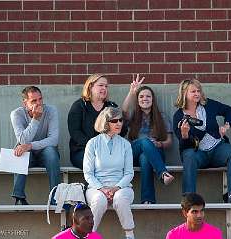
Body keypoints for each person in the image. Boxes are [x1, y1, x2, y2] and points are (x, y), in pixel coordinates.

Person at [173, 79, 231, 203]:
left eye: (198, 91)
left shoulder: (208, 105)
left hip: (217, 148)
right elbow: (184, 146)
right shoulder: (179, 116)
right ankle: (189, 199)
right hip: (198, 153)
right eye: (193, 91)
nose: (197, 94)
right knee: (188, 156)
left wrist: (226, 125)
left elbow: (229, 110)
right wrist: (184, 134)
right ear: (184, 94)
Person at [83, 107, 135, 239]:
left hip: (122, 187)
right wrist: (102, 189)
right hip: (97, 187)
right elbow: (88, 173)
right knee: (99, 200)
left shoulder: (125, 144)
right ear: (106, 122)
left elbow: (129, 173)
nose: (119, 123)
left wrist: (116, 187)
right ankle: (88, 235)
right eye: (114, 120)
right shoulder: (92, 143)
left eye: (121, 120)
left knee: (120, 198)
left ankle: (129, 235)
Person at [122, 75, 174, 204]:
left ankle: (148, 200)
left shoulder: (161, 117)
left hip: (154, 153)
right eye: (141, 96)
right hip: (133, 152)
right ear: (137, 100)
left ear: (153, 99)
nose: (145, 98)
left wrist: (159, 144)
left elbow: (169, 141)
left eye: (148, 96)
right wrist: (132, 92)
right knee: (145, 142)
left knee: (145, 158)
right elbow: (123, 111)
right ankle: (163, 173)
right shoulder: (133, 115)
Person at [10, 86, 60, 205]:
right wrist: (36, 119)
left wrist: (30, 145)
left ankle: (55, 197)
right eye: (34, 101)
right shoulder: (16, 114)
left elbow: (54, 140)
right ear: (25, 103)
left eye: (40, 99)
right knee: (20, 151)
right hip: (28, 156)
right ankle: (19, 197)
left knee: (51, 152)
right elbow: (23, 140)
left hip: (46, 154)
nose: (39, 103)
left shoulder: (51, 110)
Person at [68, 73, 121, 169]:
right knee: (97, 163)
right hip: (82, 151)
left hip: (108, 150)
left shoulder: (111, 107)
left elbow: (122, 130)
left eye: (106, 86)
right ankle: (95, 184)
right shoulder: (79, 106)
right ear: (90, 87)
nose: (104, 88)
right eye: (101, 85)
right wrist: (95, 147)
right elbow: (75, 132)